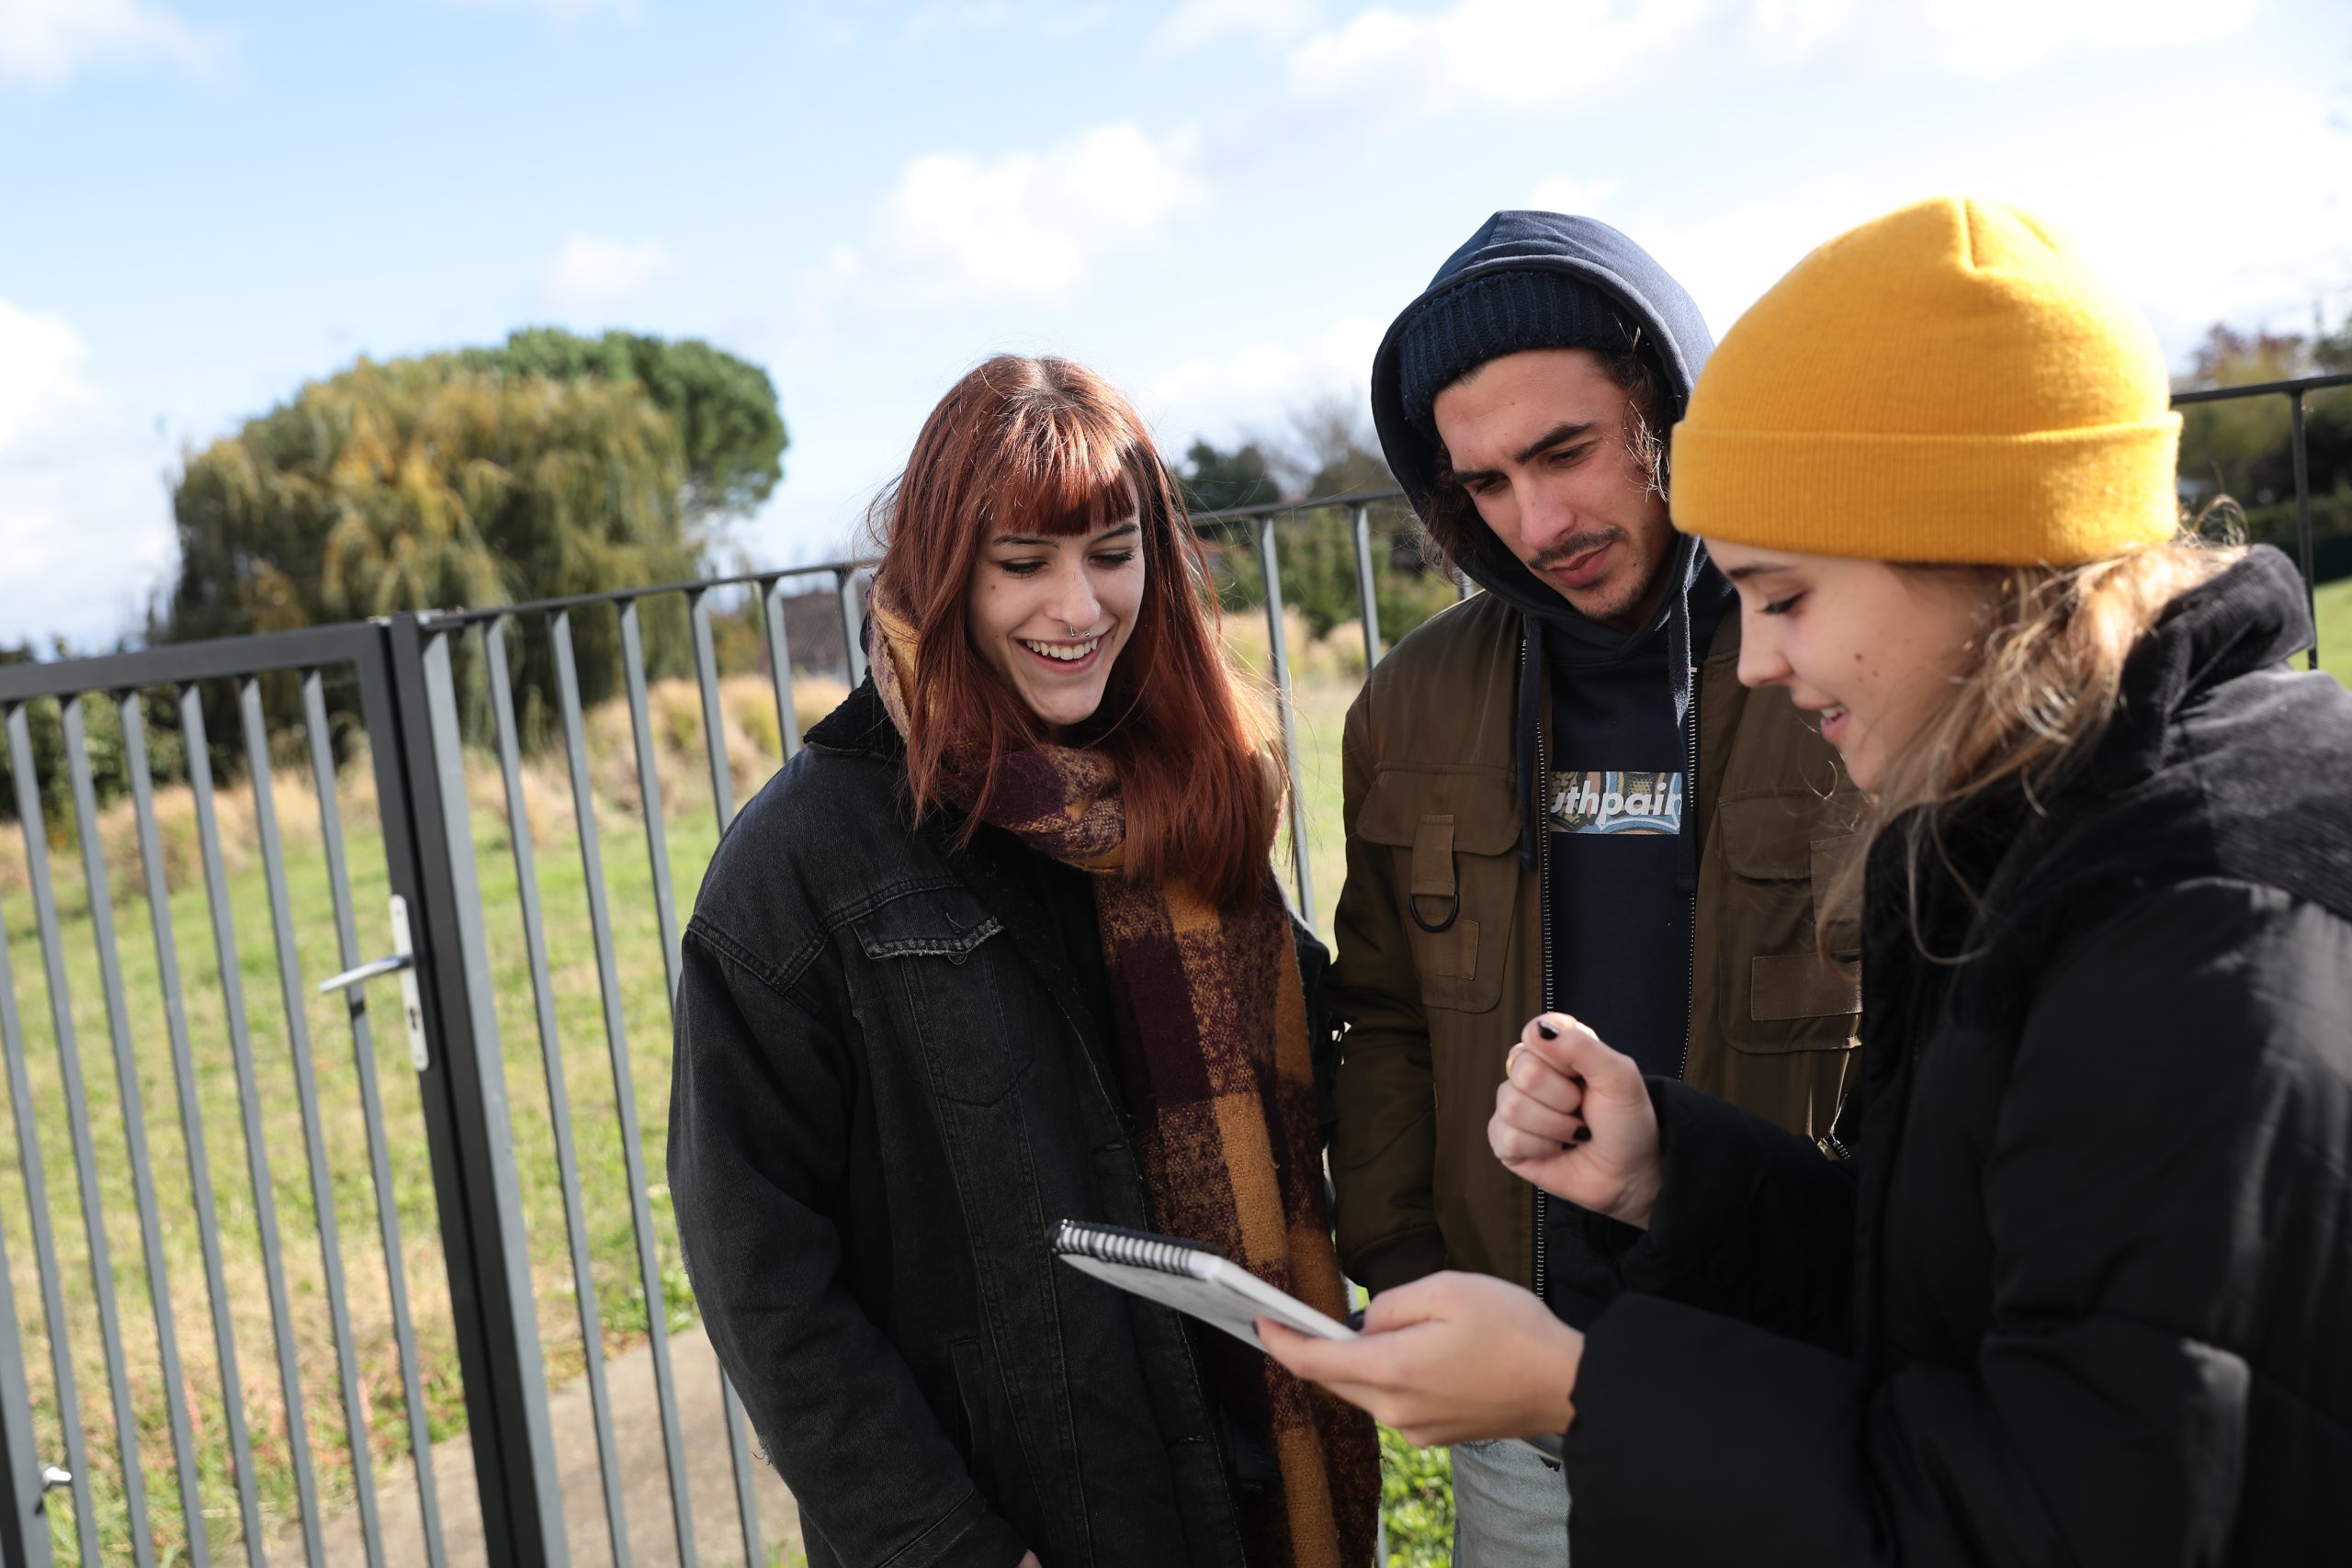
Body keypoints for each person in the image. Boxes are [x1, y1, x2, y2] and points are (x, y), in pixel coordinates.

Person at [1266, 196, 2352, 1563]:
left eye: (1783, 599)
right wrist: (1683, 1173)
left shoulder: (2199, 914)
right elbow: (1947, 1280)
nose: (1763, 662)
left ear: (1972, 541)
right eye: (1484, 483)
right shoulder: (2042, 817)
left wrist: (1590, 1388)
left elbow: (2078, 1507)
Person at [669, 355, 1377, 1568]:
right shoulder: (801, 864)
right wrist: (949, 1548)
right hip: (1030, 1526)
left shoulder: (1190, 793)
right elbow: (763, 1281)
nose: (1078, 607)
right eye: (1022, 564)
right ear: (944, 571)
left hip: (1264, 1489)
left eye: (1111, 552)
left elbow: (1327, 1064)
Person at [1330, 209, 1861, 1557]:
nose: (1539, 521)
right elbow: (1388, 1015)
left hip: (1801, 1381)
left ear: (1668, 412)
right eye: (1489, 483)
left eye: (1565, 451)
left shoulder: (1839, 650)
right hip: (1525, 1418)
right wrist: (1409, 1266)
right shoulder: (1413, 702)